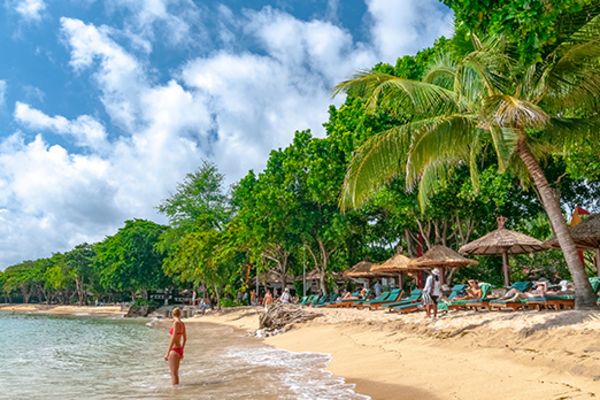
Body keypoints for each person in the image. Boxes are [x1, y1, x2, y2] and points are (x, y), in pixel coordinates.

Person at [164, 307, 187, 385]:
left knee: (173, 373)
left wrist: (167, 352)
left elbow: (173, 338)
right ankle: (177, 390)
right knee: (175, 373)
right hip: (179, 349)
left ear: (172, 314)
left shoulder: (176, 323)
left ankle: (175, 392)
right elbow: (185, 339)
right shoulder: (182, 324)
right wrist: (182, 351)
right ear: (180, 314)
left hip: (174, 350)